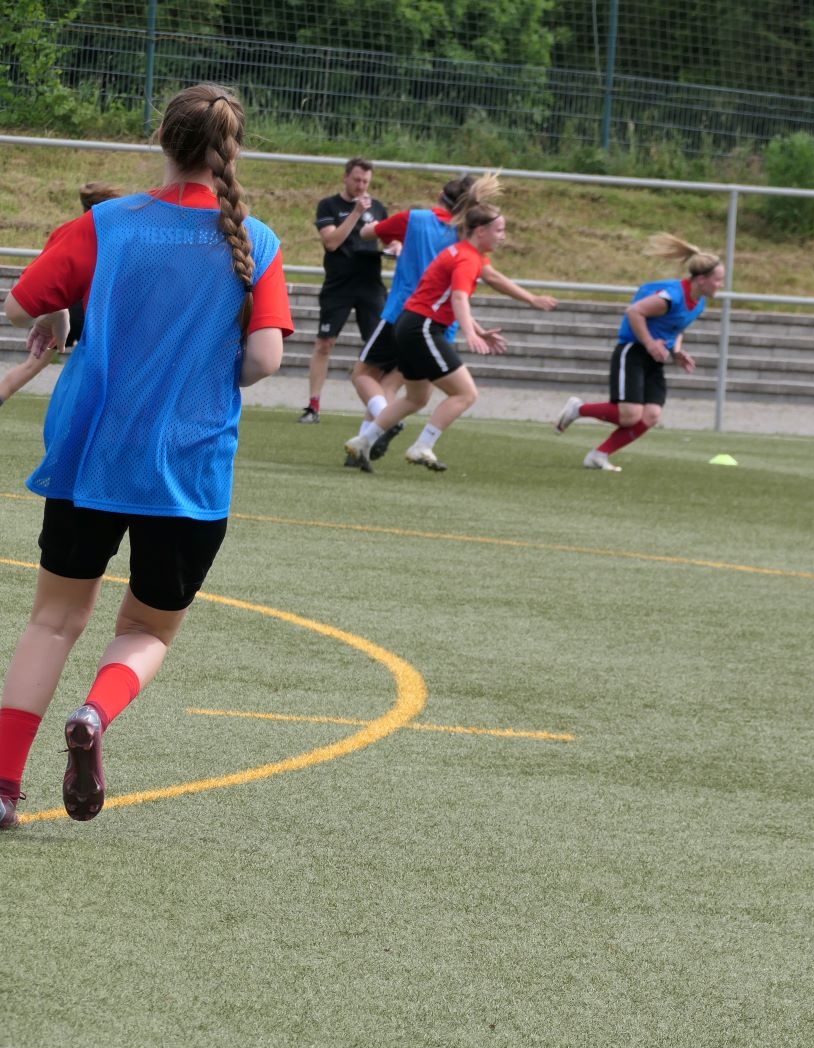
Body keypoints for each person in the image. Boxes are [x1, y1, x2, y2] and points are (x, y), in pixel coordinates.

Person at [0, 84, 291, 831]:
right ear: (233, 150)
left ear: (160, 138)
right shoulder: (256, 241)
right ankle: (95, 715)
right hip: (189, 468)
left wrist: (62, 317)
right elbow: (264, 360)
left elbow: (20, 305)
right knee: (148, 630)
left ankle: (2, 785)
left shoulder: (105, 223)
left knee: (53, 622)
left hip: (91, 456)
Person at [345, 174, 554, 468]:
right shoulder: (466, 256)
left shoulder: (462, 252)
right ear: (480, 230)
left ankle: (362, 442)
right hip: (422, 327)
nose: (503, 236)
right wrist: (472, 332)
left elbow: (447, 294)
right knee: (465, 393)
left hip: (411, 322)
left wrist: (481, 327)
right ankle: (422, 446)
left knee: (416, 398)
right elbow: (457, 298)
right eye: (499, 230)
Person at [553, 233, 725, 471]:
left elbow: (676, 328)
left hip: (654, 358)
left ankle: (598, 455)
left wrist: (676, 351)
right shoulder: (673, 296)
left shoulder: (699, 302)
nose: (721, 285)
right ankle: (578, 409)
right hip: (633, 351)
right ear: (702, 279)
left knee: (651, 415)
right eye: (718, 280)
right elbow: (634, 312)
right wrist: (650, 343)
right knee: (630, 415)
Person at [0, 182, 124, 402]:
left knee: (29, 367)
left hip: (69, 306)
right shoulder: (125, 232)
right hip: (98, 310)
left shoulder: (72, 231)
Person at [302, 158, 389, 423]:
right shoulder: (329, 205)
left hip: (370, 285)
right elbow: (331, 242)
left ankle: (379, 408)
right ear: (346, 177)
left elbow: (389, 239)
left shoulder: (378, 208)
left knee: (378, 347)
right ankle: (313, 406)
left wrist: (394, 246)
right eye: (357, 180)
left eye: (366, 181)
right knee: (325, 343)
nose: (361, 186)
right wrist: (355, 213)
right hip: (339, 285)